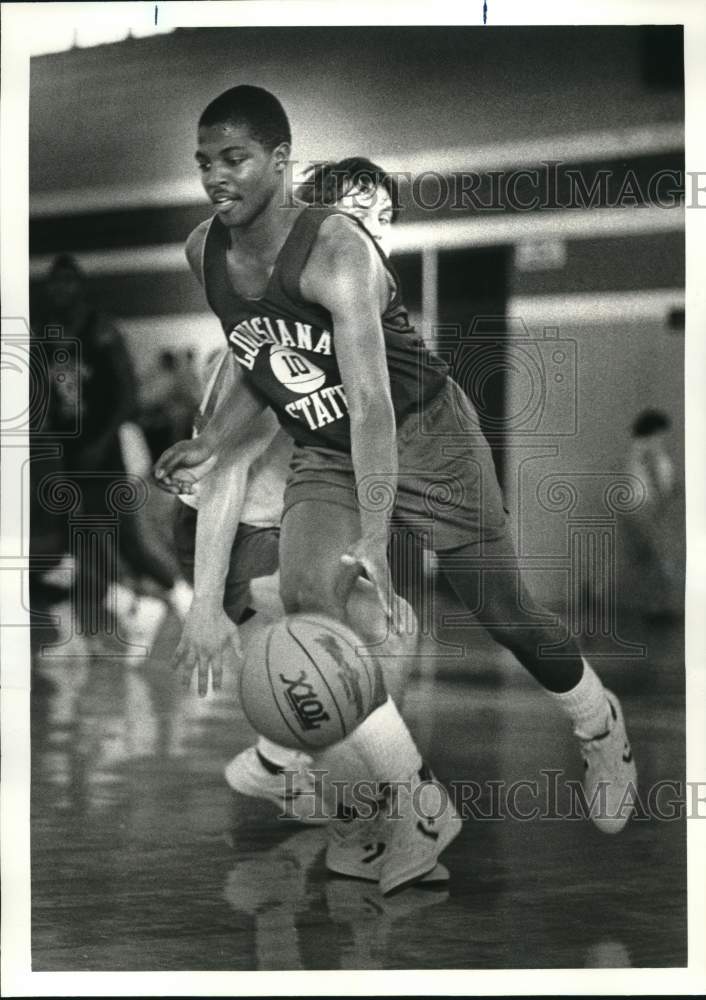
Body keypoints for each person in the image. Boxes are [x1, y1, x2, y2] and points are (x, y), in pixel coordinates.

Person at [154, 86, 636, 893]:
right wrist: (211, 440)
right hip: (328, 448)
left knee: (506, 612)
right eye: (206, 161)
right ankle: (399, 804)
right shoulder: (205, 250)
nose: (215, 177)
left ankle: (597, 720)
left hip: (424, 435)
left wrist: (374, 536)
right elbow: (257, 356)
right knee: (311, 593)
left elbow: (374, 404)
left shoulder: (338, 252)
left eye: (233, 159)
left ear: (282, 162)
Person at [171, 158, 418, 831]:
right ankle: (364, 804)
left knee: (388, 631)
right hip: (231, 532)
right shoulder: (261, 341)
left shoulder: (358, 320)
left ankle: (283, 764)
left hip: (293, 526)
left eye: (386, 220)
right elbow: (221, 472)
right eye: (357, 218)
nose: (375, 235)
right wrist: (203, 601)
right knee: (351, 639)